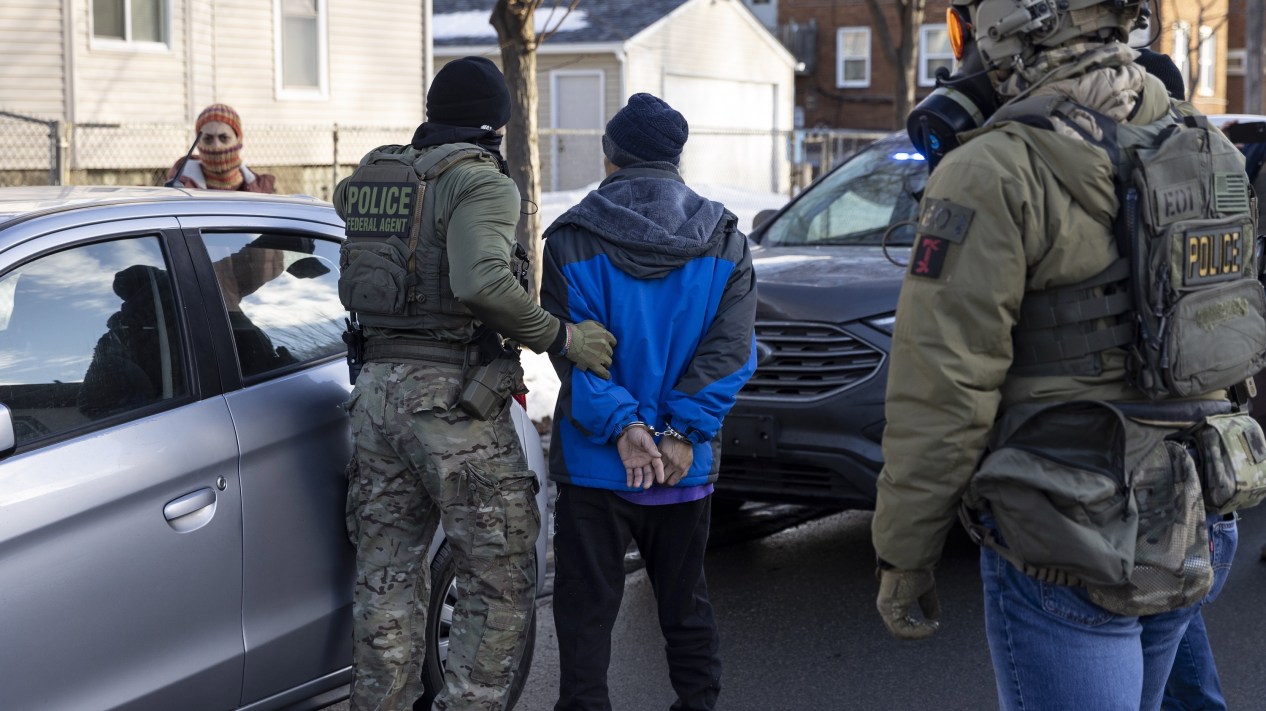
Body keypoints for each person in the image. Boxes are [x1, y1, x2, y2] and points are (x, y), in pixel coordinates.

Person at [871, 2, 1256, 710]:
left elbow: (943, 390)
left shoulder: (994, 168)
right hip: (1200, 507)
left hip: (1072, 532)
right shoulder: (1208, 146)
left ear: (1008, 31)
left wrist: (905, 555)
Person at [334, 56, 616, 711]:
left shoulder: (377, 174)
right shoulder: (482, 183)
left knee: (386, 575)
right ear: (496, 123)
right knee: (498, 575)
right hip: (451, 402)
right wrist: (564, 337)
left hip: (376, 393)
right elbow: (481, 283)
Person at [540, 93, 757, 711]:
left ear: (610, 155)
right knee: (685, 608)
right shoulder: (723, 238)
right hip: (680, 466)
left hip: (596, 463)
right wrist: (681, 433)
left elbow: (572, 351)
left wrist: (623, 426)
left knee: (585, 621)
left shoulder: (574, 239)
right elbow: (731, 351)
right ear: (675, 158)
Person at [1133, 47, 1241, 711]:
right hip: (1213, 471)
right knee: (1179, 644)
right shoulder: (1218, 187)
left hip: (1164, 492)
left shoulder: (1138, 201)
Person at [166, 103, 276, 193]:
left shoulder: (261, 190)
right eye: (208, 139)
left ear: (239, 139)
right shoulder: (179, 187)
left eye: (224, 138)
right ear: (198, 143)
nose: (216, 146)